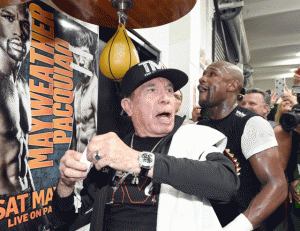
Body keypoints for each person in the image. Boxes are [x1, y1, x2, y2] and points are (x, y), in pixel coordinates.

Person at [51, 60, 239, 231]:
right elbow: (67, 221)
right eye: (152, 90)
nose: (166, 98)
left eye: (169, 90)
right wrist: (66, 185)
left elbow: (227, 185)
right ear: (128, 106)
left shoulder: (193, 138)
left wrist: (139, 161)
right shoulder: (113, 149)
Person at [197, 61, 288, 231]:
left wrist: (239, 227)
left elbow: (277, 186)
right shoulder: (200, 127)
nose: (202, 79)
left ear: (232, 86)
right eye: (203, 74)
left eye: (212, 74)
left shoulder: (251, 124)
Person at [0, 3, 50, 230]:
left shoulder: (22, 86)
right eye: (8, 18)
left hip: (25, 199)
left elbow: (23, 151)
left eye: (25, 24)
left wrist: (39, 211)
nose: (19, 32)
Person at [240, 88, 292, 230]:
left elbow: (278, 174)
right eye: (243, 103)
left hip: (266, 203)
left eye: (252, 103)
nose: (245, 107)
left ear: (265, 108)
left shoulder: (277, 130)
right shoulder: (239, 127)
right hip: (242, 200)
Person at [69, 29, 98, 153]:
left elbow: (101, 139)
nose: (81, 61)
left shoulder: (95, 91)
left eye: (85, 54)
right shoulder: (77, 90)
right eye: (77, 55)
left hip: (91, 164)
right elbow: (75, 132)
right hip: (78, 162)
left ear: (92, 57)